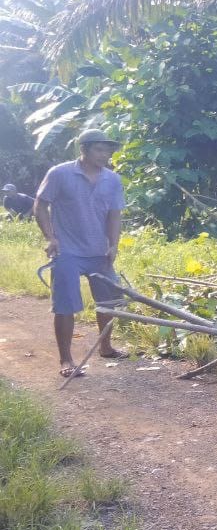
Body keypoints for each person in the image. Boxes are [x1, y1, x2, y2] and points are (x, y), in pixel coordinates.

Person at [34, 129, 128, 378]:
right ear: (83, 150)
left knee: (108, 302)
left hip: (99, 251)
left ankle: (106, 348)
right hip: (67, 251)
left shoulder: (113, 180)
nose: (105, 154)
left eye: (108, 150)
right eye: (99, 149)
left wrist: (113, 244)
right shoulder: (60, 173)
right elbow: (40, 204)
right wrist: (50, 237)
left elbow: (114, 215)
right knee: (65, 305)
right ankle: (66, 360)